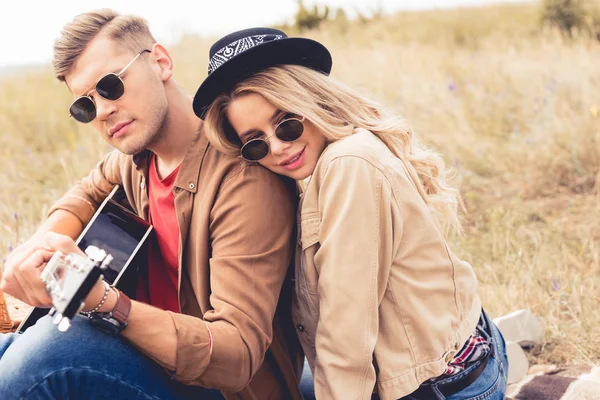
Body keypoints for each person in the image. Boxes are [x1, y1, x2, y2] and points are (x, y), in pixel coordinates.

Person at [0, 11, 306, 400]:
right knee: (7, 343)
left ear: (160, 62)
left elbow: (236, 354)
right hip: (149, 360)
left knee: (46, 357)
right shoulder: (139, 156)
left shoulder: (244, 180)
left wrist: (106, 302)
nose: (104, 111)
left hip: (222, 388)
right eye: (85, 106)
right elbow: (86, 193)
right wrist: (36, 251)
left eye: (110, 86)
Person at [197, 27, 509, 400]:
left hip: (444, 386)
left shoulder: (349, 164)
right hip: (461, 348)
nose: (278, 148)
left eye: (287, 123)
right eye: (256, 143)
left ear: (313, 101)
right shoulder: (317, 164)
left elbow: (346, 331)